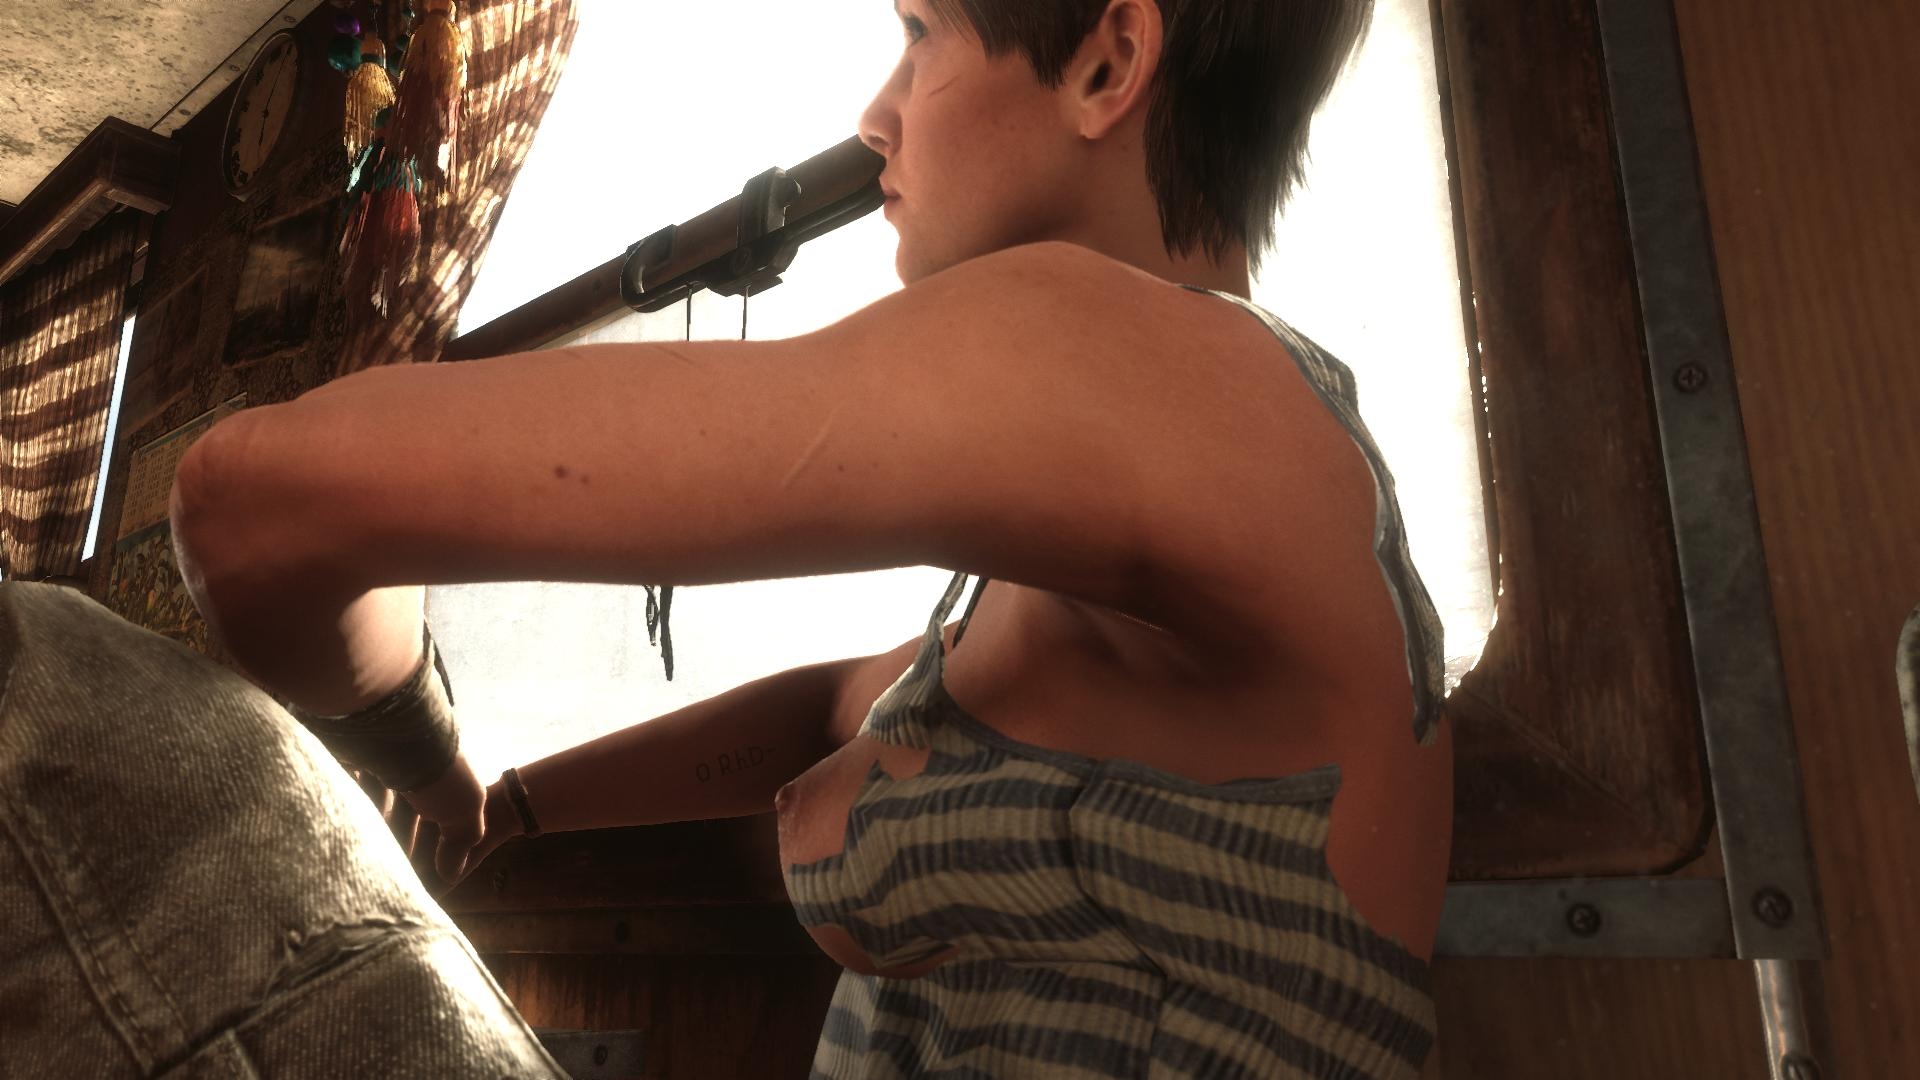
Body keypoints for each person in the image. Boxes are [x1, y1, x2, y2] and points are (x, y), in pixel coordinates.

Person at [170, 0, 1454, 1076]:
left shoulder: (1157, 373)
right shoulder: (1184, 482)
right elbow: (845, 708)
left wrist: (411, 728)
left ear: (1108, 65)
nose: (875, 115)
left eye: (920, 35)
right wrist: (502, 802)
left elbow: (255, 499)